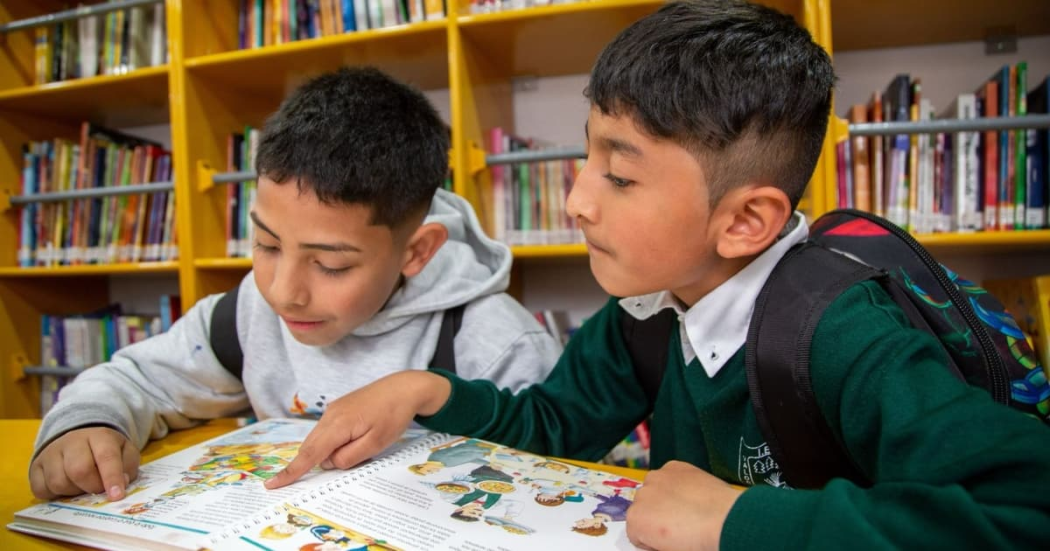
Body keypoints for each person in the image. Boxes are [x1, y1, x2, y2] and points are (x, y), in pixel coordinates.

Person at [265, 2, 1050, 549]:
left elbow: (1025, 509)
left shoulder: (845, 333)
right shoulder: (648, 311)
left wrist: (735, 520)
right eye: (587, 156)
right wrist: (426, 390)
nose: (577, 200)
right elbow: (554, 425)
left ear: (744, 222)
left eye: (620, 175)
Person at [28, 67, 562, 502]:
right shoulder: (246, 313)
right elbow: (140, 379)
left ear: (416, 252)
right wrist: (84, 425)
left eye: (330, 265)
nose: (284, 292)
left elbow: (561, 474)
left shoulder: (495, 342)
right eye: (266, 244)